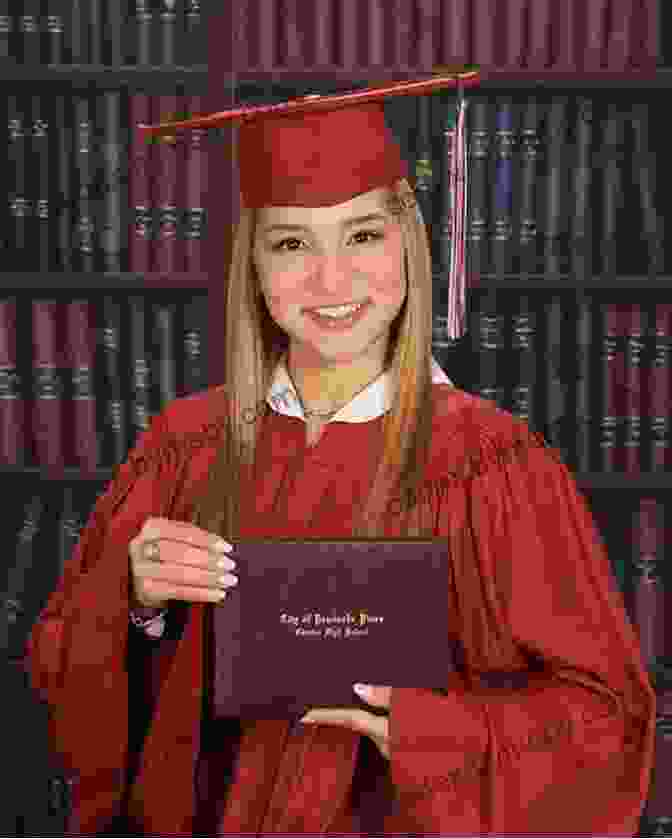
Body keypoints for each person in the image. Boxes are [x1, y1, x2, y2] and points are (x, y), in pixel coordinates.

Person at [24, 74, 655, 837]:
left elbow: (606, 718)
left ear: (409, 242)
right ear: (252, 265)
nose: (331, 280)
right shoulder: (185, 446)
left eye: (362, 235)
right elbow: (60, 671)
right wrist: (134, 605)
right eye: (291, 243)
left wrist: (437, 731)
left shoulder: (494, 466)